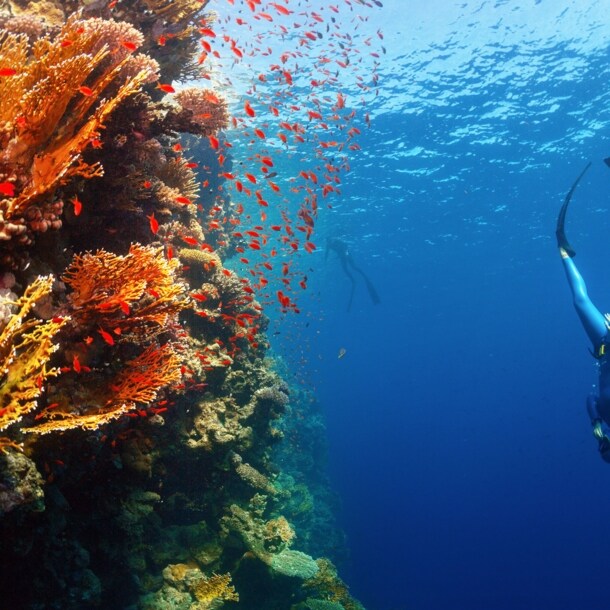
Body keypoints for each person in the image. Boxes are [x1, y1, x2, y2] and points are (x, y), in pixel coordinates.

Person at [557, 161, 610, 462]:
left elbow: (593, 399)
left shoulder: (605, 420)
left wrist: (596, 427)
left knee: (579, 301)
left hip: (605, 344)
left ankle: (563, 248)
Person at [325, 237, 380, 311]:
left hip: (346, 255)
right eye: (327, 241)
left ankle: (362, 275)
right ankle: (353, 280)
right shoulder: (328, 245)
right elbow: (326, 253)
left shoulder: (337, 241)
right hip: (342, 256)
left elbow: (345, 245)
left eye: (329, 240)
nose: (329, 242)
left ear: (331, 240)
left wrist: (345, 253)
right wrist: (326, 259)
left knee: (353, 267)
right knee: (345, 269)